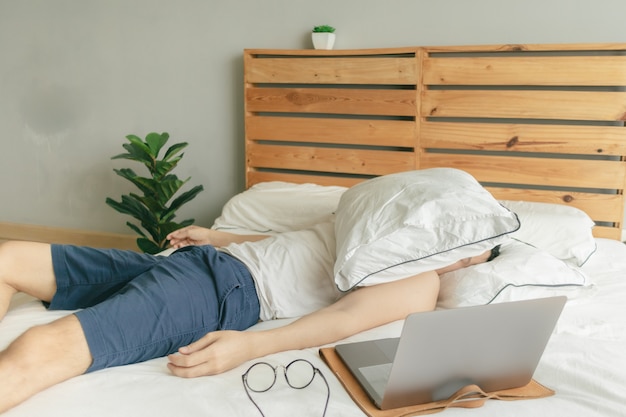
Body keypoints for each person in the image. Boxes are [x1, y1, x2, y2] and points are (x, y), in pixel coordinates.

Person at [0, 225, 497, 413]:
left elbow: (343, 320)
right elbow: (282, 244)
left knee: (43, 347)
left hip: (223, 291)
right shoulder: (370, 227)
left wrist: (250, 345)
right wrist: (216, 235)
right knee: (8, 259)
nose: (461, 256)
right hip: (195, 263)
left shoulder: (418, 278)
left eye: (472, 256)